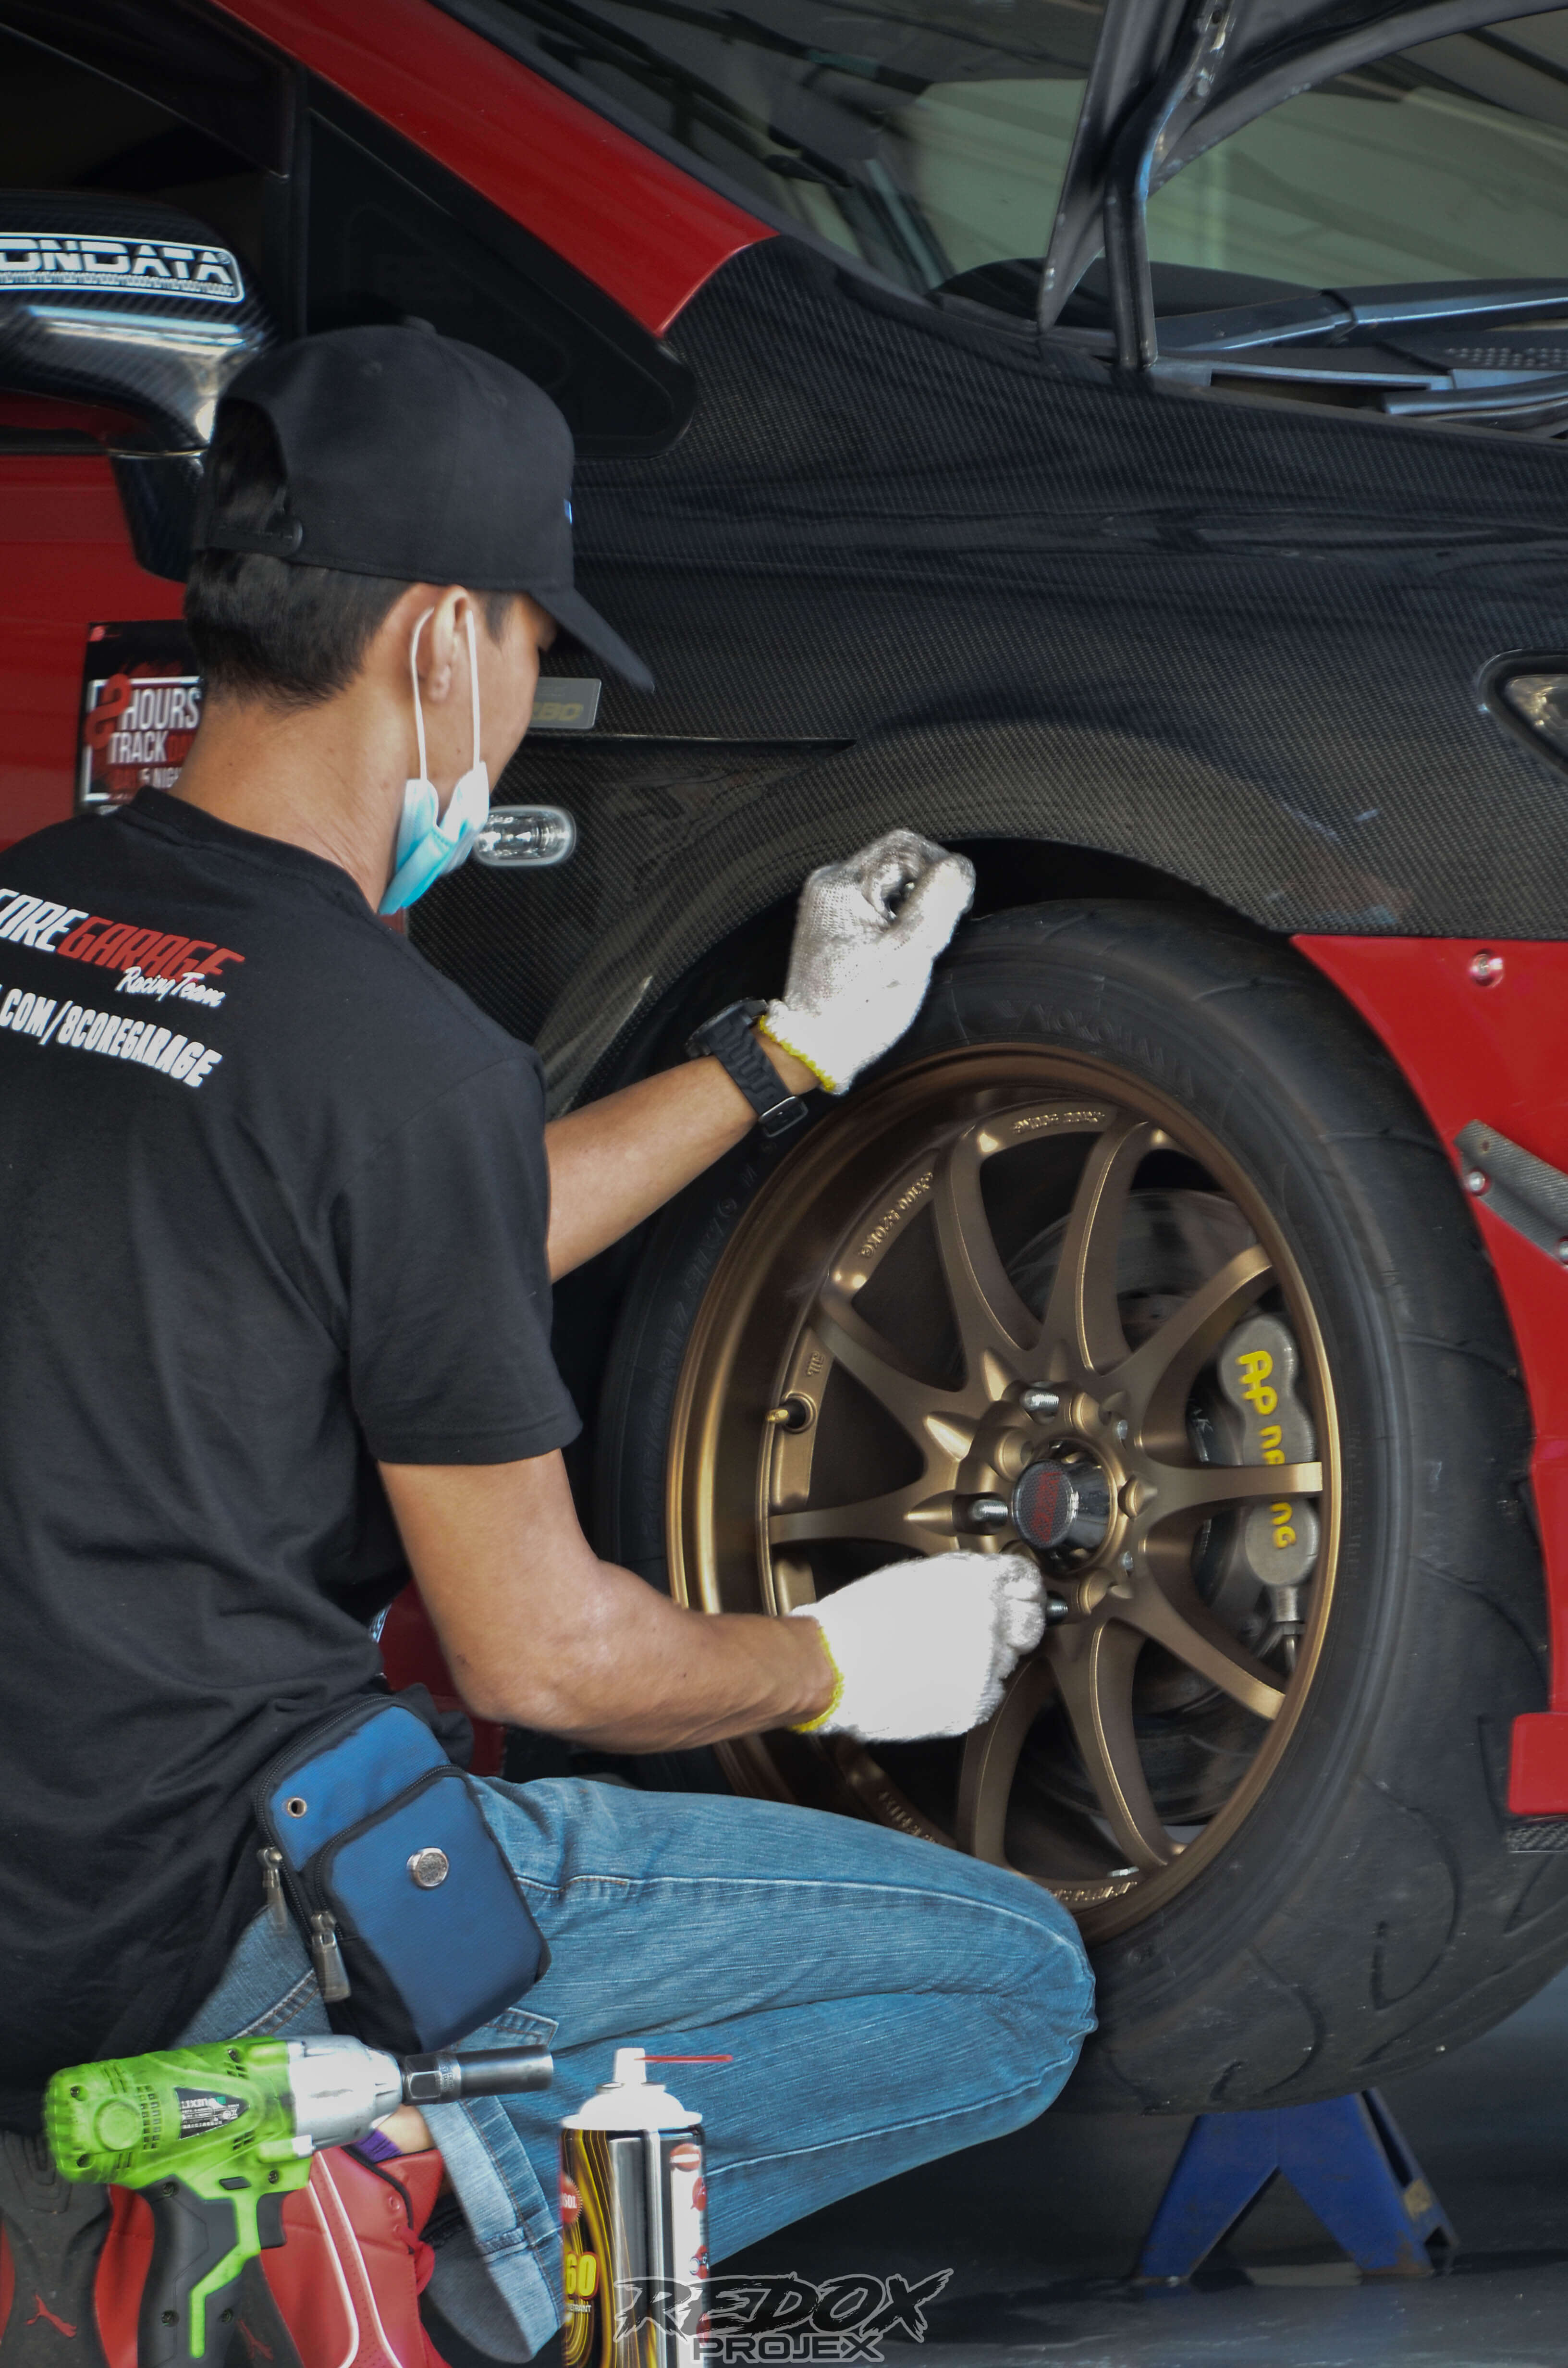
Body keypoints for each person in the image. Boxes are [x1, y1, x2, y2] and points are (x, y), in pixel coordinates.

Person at [0, 326, 1093, 2359]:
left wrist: (782, 1056)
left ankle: (103, 2170)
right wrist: (842, 1660)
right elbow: (538, 1657)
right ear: (442, 638)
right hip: (202, 1906)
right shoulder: (390, 1054)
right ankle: (323, 2215)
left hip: (20, 1899)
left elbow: (384, 1240)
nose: (523, 702)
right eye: (528, 645)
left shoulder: (34, 914)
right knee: (1014, 1984)